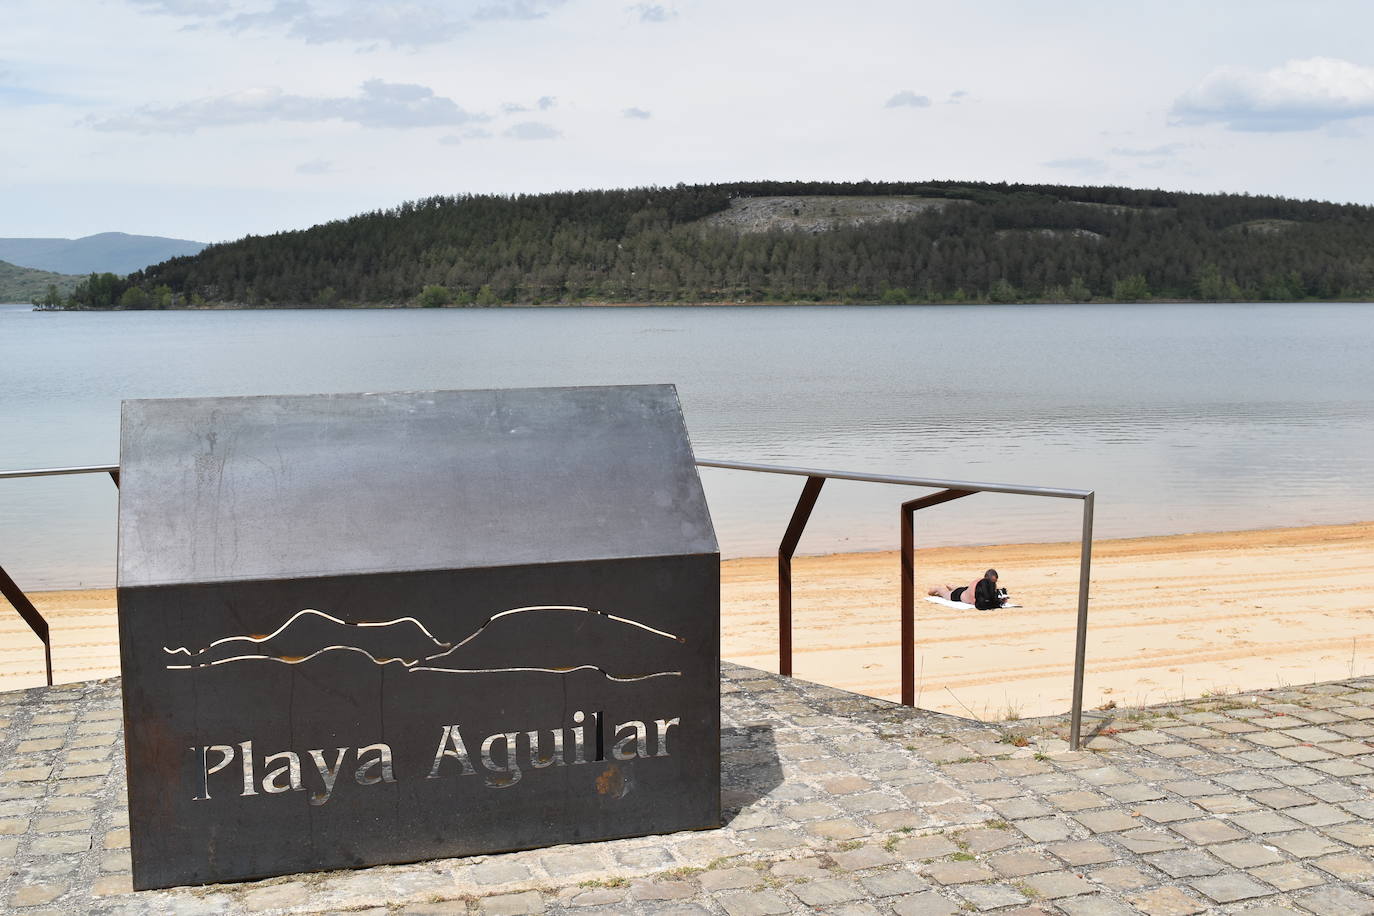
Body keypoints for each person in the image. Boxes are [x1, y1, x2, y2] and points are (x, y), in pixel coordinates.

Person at [929, 569, 1007, 610]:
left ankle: (951, 586)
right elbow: (973, 601)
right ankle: (937, 588)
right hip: (958, 596)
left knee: (961, 589)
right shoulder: (976, 584)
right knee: (944, 593)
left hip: (965, 591)